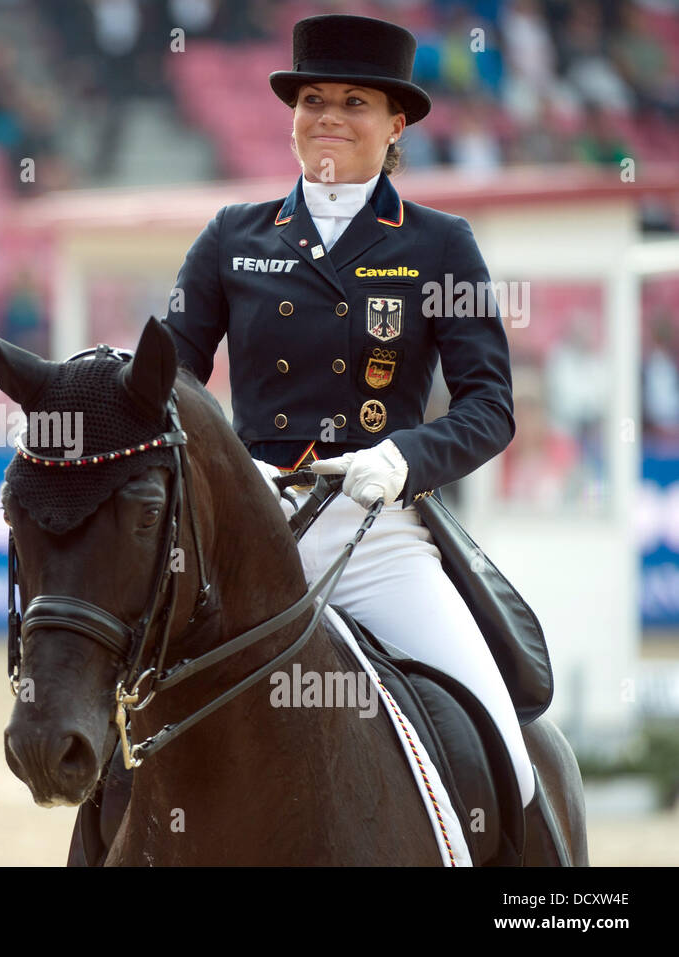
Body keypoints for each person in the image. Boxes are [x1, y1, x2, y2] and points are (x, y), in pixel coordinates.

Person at [161, 14, 559, 855]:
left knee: (507, 748)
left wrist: (401, 458)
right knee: (131, 727)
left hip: (376, 537)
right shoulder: (233, 237)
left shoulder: (441, 245)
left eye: (353, 101)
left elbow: (491, 405)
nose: (328, 116)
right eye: (312, 99)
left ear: (397, 123)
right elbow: (164, 385)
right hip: (247, 541)